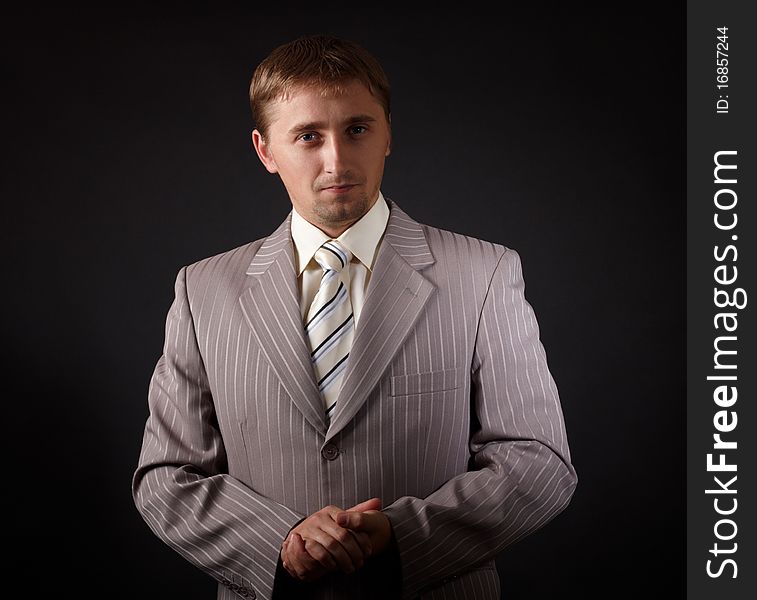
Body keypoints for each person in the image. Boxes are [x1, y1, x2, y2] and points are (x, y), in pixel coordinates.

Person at [132, 34, 578, 600]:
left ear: (388, 133)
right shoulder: (203, 291)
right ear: (265, 150)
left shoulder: (483, 274)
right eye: (308, 137)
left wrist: (400, 536)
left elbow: (538, 463)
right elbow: (166, 477)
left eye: (357, 129)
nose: (336, 160)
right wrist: (279, 541)